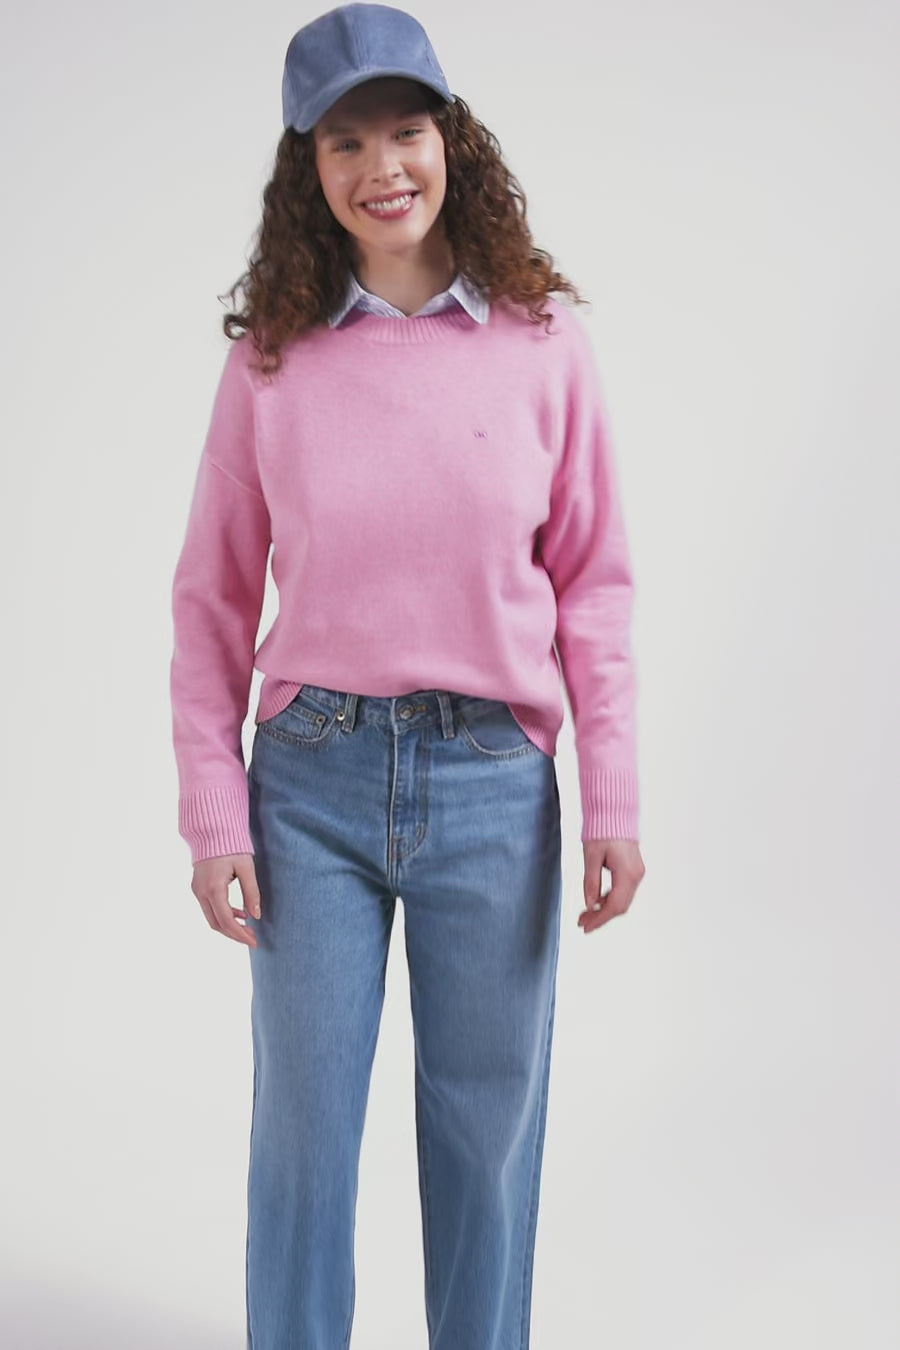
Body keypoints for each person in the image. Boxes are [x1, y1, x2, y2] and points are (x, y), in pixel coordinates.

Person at [169, 4, 646, 1346]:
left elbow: (597, 585)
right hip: (308, 786)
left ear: (452, 141)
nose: (383, 165)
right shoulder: (270, 361)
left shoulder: (542, 342)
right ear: (308, 169)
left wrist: (612, 798)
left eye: (407, 130)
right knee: (304, 1139)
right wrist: (214, 813)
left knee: (488, 1139)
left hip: (496, 782)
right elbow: (209, 601)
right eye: (346, 140)